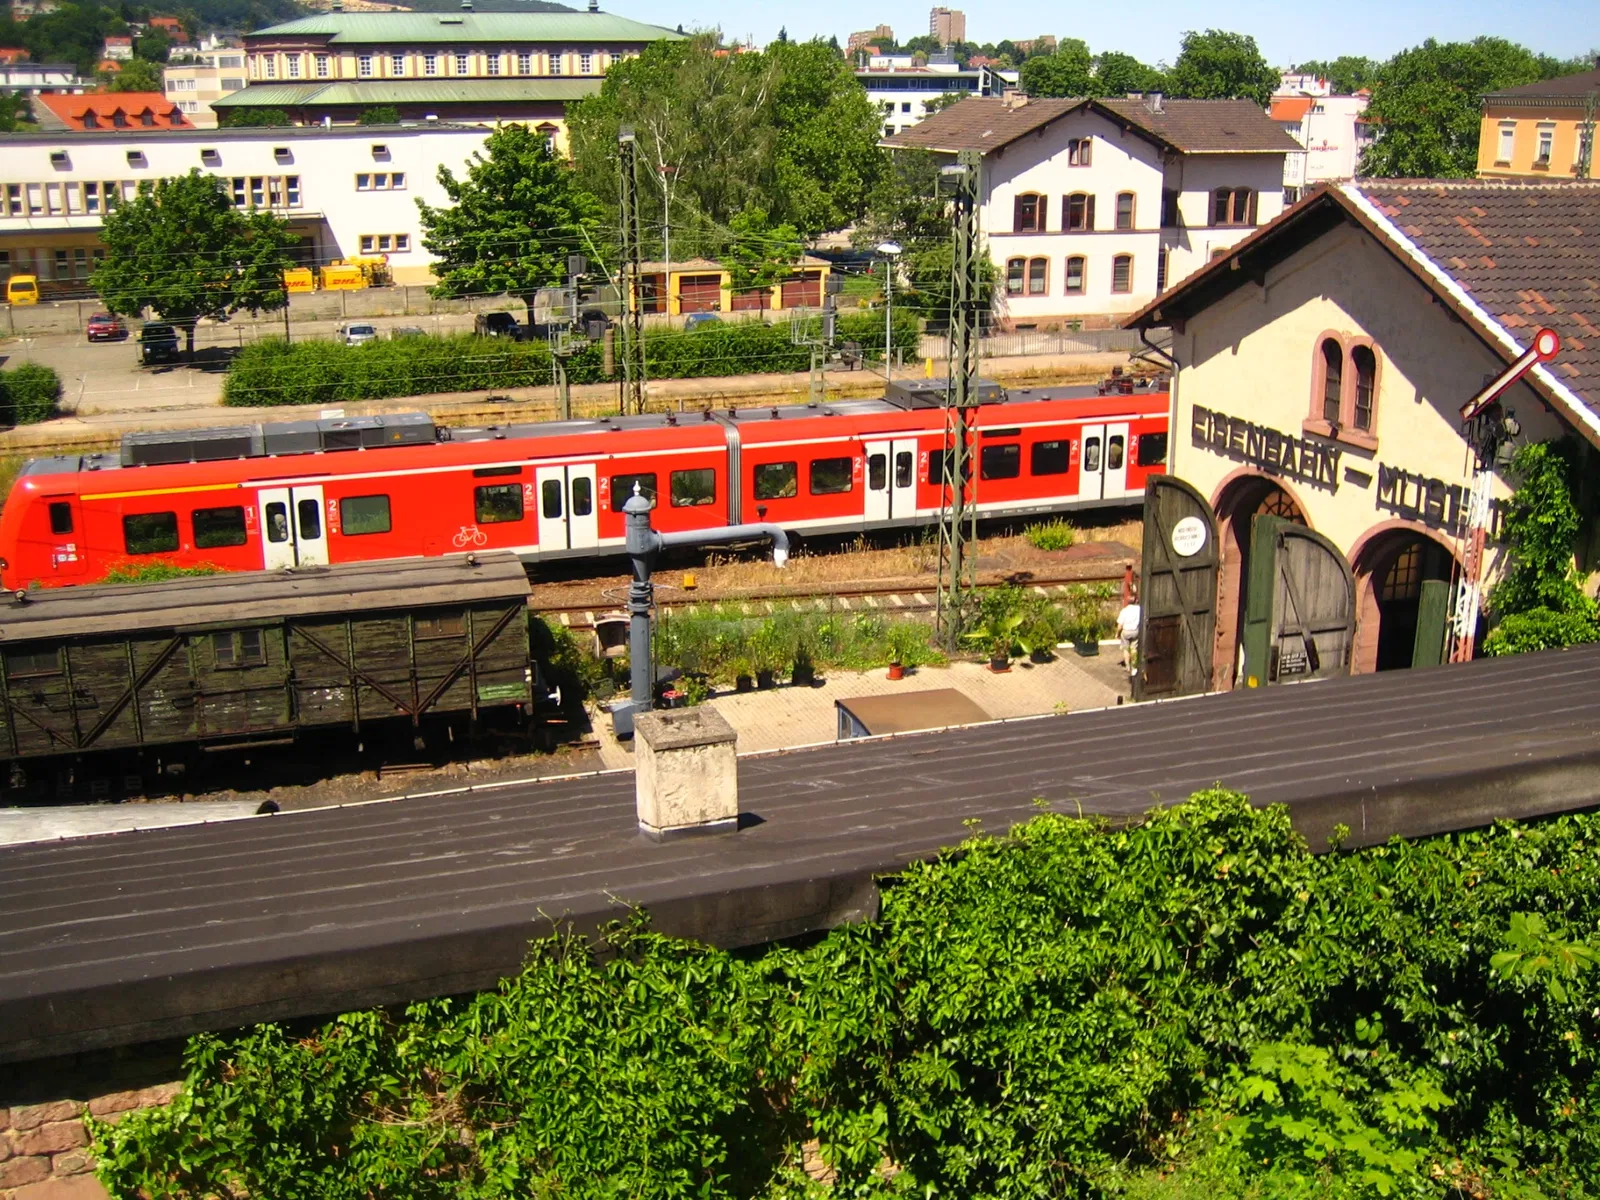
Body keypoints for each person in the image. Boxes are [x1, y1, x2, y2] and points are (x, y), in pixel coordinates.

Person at [1116, 592, 1141, 679]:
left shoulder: (1124, 611)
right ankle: (1134, 667)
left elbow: (1120, 626)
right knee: (1134, 649)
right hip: (1135, 631)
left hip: (1126, 631)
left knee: (1126, 649)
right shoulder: (1139, 609)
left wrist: (1117, 634)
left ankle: (1127, 666)